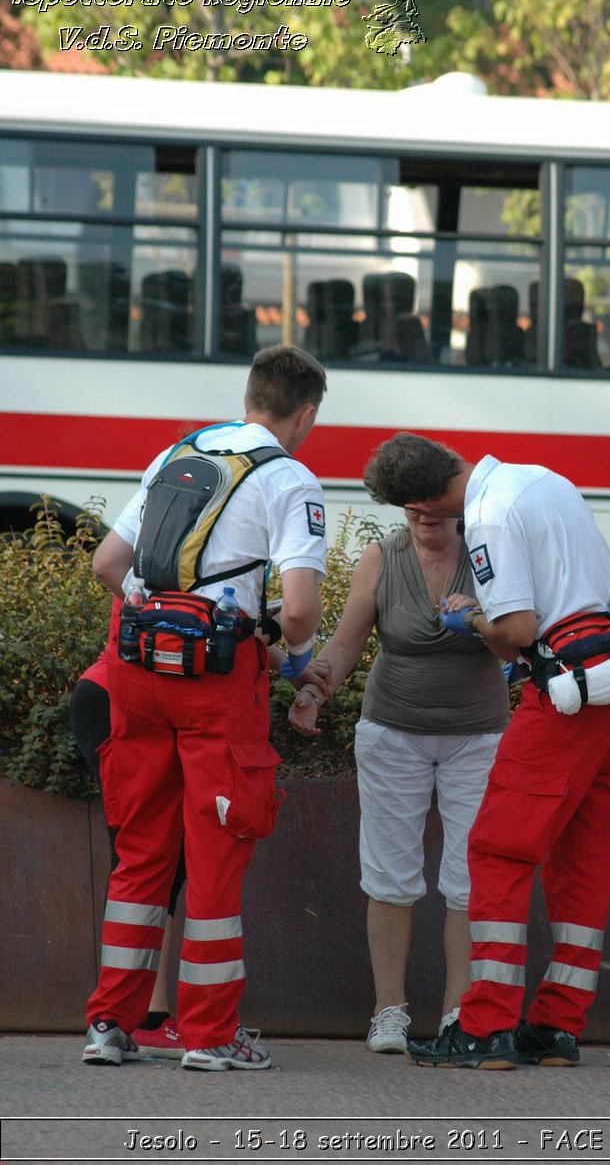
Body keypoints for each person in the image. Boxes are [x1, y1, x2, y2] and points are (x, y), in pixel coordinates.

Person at [361, 433, 610, 1069]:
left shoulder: (488, 516)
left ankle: (485, 1026)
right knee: (585, 856)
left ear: (421, 496)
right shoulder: (543, 478)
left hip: (567, 698)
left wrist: (469, 617)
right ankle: (555, 1027)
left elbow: (519, 629)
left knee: (495, 850)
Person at [82, 345, 327, 1071]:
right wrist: (277, 642)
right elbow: (305, 613)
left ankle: (109, 1026)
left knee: (140, 857)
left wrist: (155, 614)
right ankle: (211, 1038)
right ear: (305, 414)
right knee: (215, 857)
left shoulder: (178, 452)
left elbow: (106, 564)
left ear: (250, 395)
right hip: (218, 685)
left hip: (136, 672)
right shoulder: (290, 478)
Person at [287, 509, 510, 1053]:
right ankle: (389, 1011)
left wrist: (481, 619)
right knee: (389, 873)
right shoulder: (382, 557)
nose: (424, 515)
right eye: (413, 505)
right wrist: (314, 691)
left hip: (478, 735)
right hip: (392, 731)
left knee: (469, 877)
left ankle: (460, 1014)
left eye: (435, 503)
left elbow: (516, 646)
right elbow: (345, 644)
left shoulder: (489, 555)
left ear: (457, 503)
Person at [70, 613, 188, 1059]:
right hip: (122, 704)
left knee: (156, 860)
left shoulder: (154, 548)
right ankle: (142, 1019)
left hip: (118, 698)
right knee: (148, 860)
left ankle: (131, 1019)